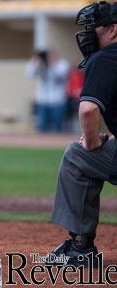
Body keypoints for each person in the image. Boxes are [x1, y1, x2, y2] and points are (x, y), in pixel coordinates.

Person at [49, 1, 117, 268]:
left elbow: (88, 110)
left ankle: (81, 247)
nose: (89, 34)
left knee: (78, 155)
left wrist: (91, 141)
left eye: (94, 28)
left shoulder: (106, 57)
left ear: (113, 31)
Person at [25, 49, 70, 133]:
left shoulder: (62, 64)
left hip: (57, 101)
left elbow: (60, 75)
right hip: (42, 101)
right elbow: (30, 74)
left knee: (58, 127)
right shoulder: (41, 65)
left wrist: (52, 63)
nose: (48, 57)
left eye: (50, 55)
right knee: (42, 127)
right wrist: (35, 61)